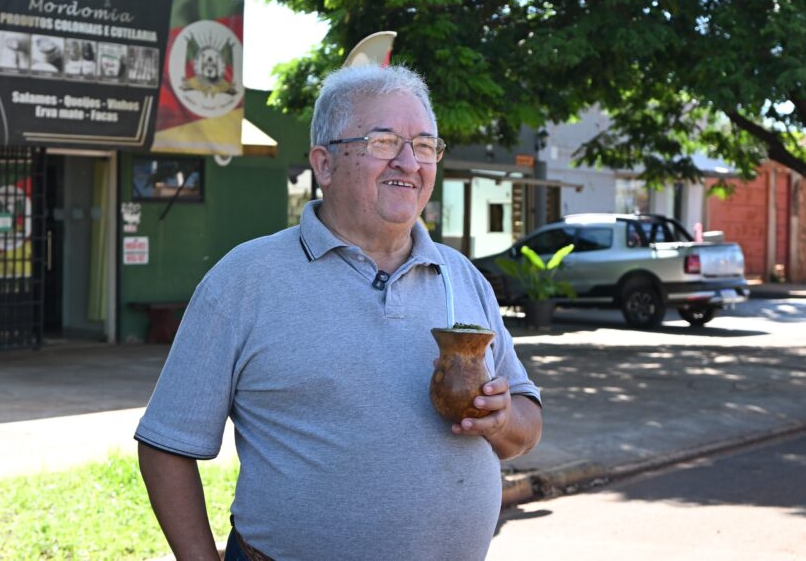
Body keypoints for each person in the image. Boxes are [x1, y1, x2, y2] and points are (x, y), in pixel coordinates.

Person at [135, 64, 543, 561]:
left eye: (425, 145)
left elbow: (525, 424)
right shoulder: (245, 279)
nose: (409, 163)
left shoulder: (462, 278)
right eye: (384, 142)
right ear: (324, 164)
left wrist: (500, 421)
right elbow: (166, 446)